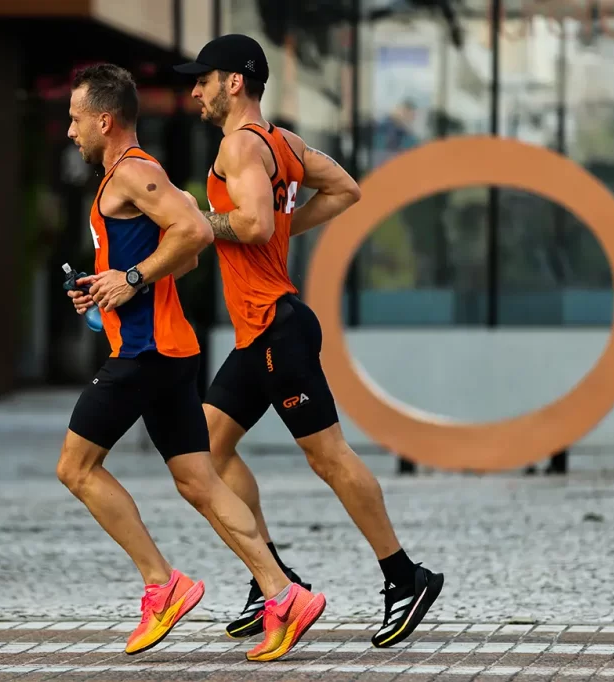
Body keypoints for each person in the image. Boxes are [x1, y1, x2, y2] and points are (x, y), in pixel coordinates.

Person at [174, 36, 444, 649]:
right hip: (260, 331)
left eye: (204, 79)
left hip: (277, 327)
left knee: (329, 457)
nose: (195, 91)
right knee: (207, 451)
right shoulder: (285, 144)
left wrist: (196, 223)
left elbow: (253, 223)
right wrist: (279, 227)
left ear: (234, 82)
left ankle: (404, 576)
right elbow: (346, 188)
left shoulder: (240, 146)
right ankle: (272, 580)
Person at [58, 63, 326, 662]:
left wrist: (130, 279)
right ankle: (283, 593)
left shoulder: (135, 172)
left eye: (76, 119)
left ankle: (163, 584)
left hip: (145, 354)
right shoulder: (125, 178)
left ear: (105, 120)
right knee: (199, 481)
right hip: (164, 351)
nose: (70, 131)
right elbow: (182, 255)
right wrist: (106, 286)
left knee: (76, 468)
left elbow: (195, 234)